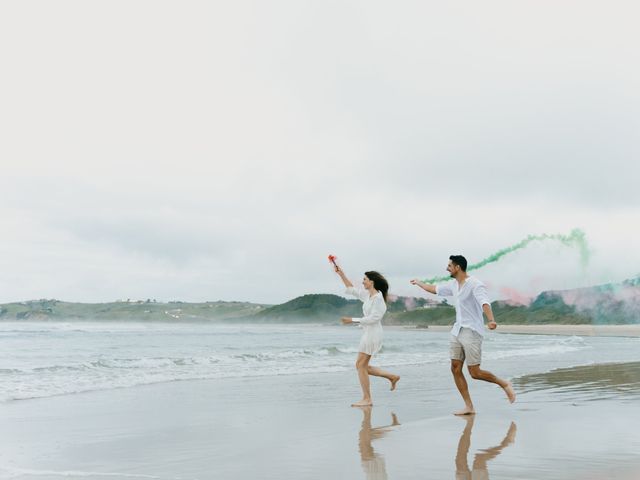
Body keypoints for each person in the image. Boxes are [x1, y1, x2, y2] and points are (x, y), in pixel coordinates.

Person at [411, 255, 516, 415]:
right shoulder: (453, 285)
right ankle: (469, 406)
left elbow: (484, 302)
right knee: (455, 368)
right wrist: (419, 283)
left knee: (475, 372)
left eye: (449, 266)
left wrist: (491, 320)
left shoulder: (475, 284)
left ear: (457, 267)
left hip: (472, 331)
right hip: (457, 330)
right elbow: (434, 289)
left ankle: (504, 384)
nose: (447, 268)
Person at [335, 264, 400, 406]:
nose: (363, 281)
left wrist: (352, 320)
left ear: (372, 282)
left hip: (373, 334)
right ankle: (392, 376)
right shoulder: (368, 295)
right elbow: (351, 289)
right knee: (361, 366)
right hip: (367, 333)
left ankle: (367, 399)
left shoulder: (378, 298)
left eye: (365, 279)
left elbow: (374, 319)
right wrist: (341, 274)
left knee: (360, 365)